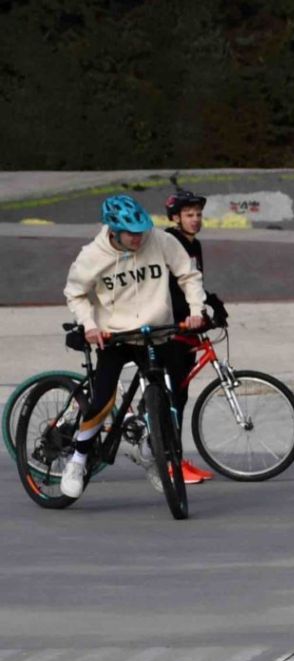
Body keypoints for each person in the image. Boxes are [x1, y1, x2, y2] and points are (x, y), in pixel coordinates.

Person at [57, 194, 208, 500]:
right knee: (101, 401)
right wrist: (90, 325)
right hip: (115, 336)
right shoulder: (92, 256)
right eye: (132, 234)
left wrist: (196, 310)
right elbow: (75, 293)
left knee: (170, 395)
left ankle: (155, 455)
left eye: (142, 232)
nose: (139, 239)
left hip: (155, 331)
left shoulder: (159, 240)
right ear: (113, 231)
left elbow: (188, 275)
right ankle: (78, 459)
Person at [162, 188, 219, 483]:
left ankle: (177, 456)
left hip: (189, 328)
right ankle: (170, 463)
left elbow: (193, 284)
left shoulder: (194, 245)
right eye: (189, 215)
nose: (196, 220)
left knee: (180, 396)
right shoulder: (169, 243)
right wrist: (181, 317)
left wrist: (209, 306)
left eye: (198, 214)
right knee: (171, 397)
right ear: (175, 218)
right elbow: (169, 290)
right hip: (172, 329)